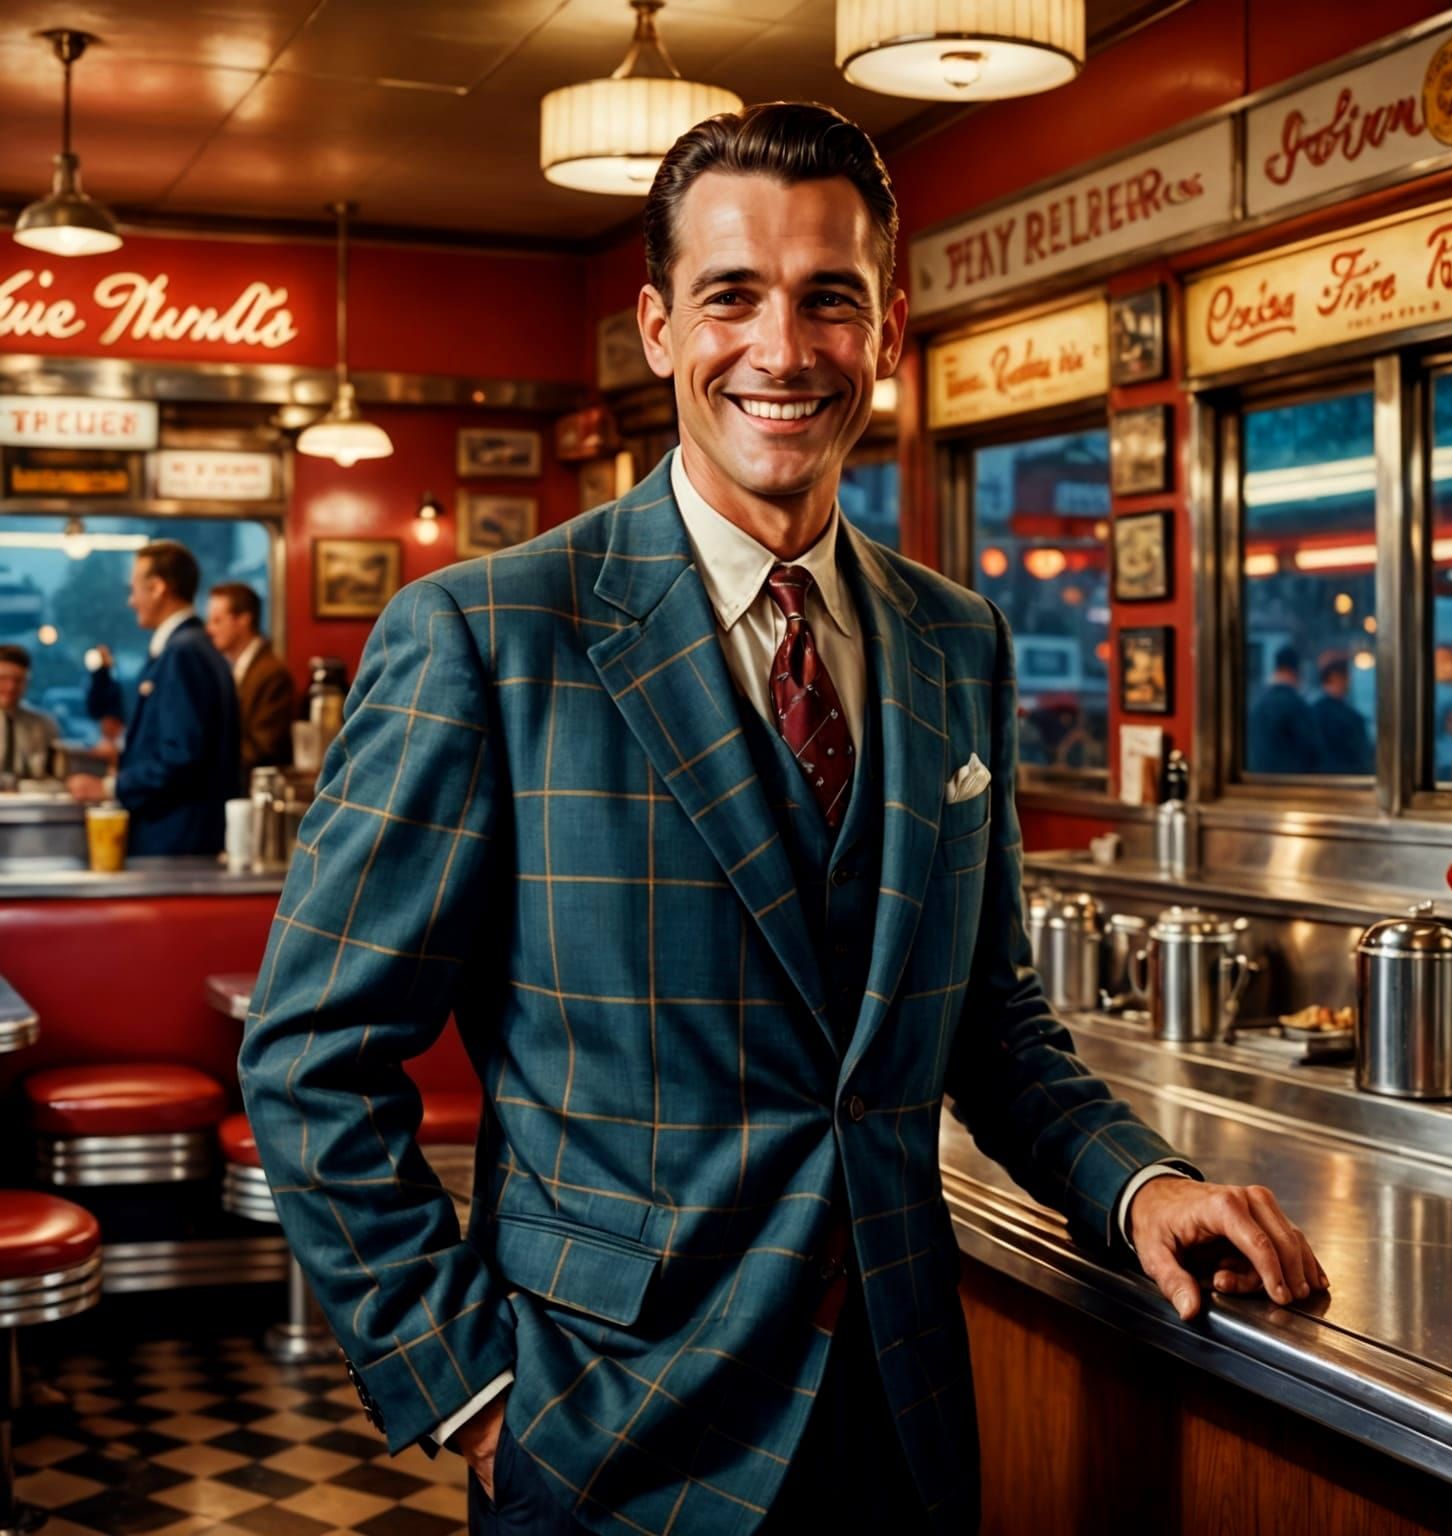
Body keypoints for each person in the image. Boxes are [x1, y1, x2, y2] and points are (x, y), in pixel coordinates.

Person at [239, 104, 1324, 1536]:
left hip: (901, 1409)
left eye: (829, 297)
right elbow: (316, 1058)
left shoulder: (960, 641)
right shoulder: (488, 633)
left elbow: (991, 1021)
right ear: (655, 325)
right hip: (604, 1429)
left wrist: (1140, 1188)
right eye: (731, 295)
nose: (782, 346)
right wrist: (474, 1392)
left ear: (887, 326)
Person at [67, 541, 241, 855]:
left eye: (134, 589)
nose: (131, 601)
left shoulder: (182, 652)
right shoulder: (195, 645)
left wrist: (111, 787)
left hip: (174, 835)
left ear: (158, 587)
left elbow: (181, 756)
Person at [205, 581, 294, 782]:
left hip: (254, 788)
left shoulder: (272, 673)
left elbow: (264, 747)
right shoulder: (235, 668)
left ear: (244, 620)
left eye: (217, 620)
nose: (209, 629)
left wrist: (209, 766)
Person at [1249, 644, 1324, 775]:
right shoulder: (1297, 706)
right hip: (1289, 785)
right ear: (1296, 672)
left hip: (1258, 782)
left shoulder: (1259, 705)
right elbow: (1313, 752)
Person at [0, 644, 59, 780]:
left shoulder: (44, 725)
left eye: (18, 680)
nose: (10, 687)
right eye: (3, 678)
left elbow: (54, 774)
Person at [1312, 655, 1373, 776]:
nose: (1349, 682)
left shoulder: (1310, 713)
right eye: (1347, 678)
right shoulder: (1351, 718)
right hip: (1348, 781)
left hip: (1317, 783)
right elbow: (1363, 757)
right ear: (1336, 678)